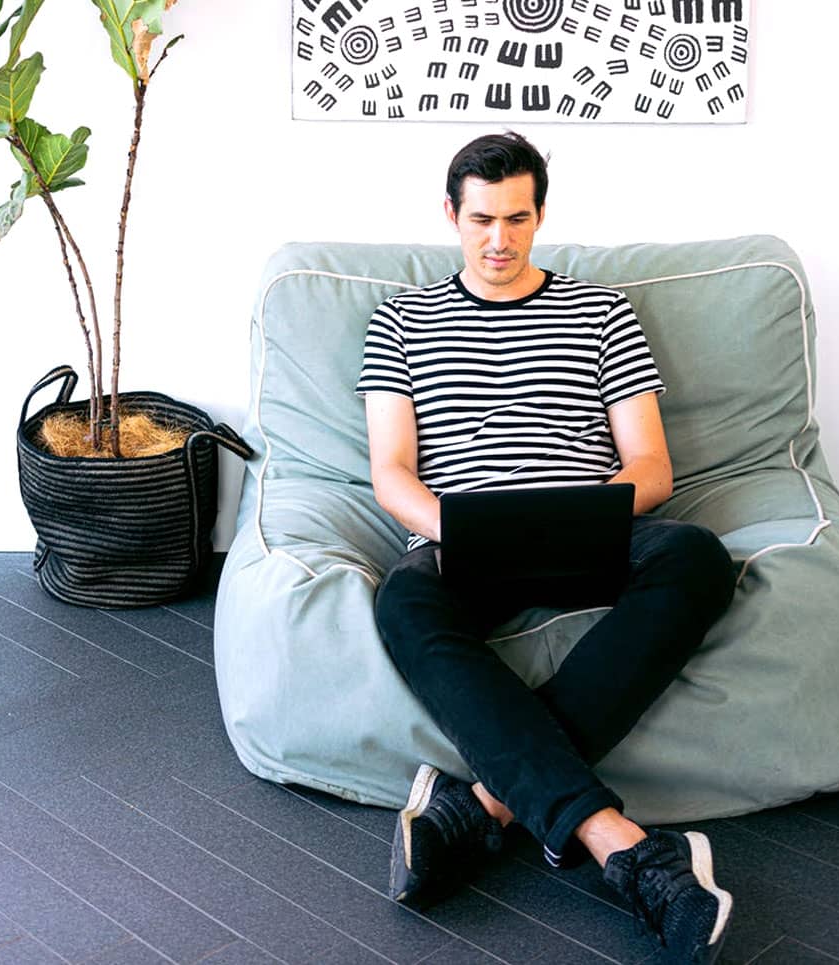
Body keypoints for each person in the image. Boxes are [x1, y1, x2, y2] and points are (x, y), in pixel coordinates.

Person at [355, 131, 737, 963]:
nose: (500, 239)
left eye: (517, 219)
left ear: (539, 215)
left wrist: (585, 510)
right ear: (451, 215)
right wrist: (459, 527)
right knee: (404, 598)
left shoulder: (601, 310)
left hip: (588, 530)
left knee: (698, 555)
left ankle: (484, 804)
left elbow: (650, 467)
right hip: (462, 536)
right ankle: (621, 846)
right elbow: (391, 475)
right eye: (482, 219)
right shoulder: (402, 319)